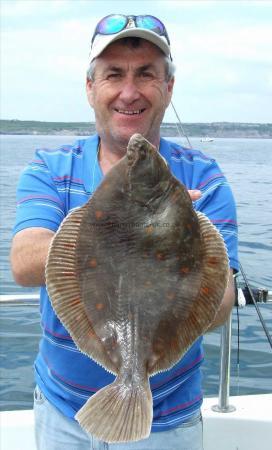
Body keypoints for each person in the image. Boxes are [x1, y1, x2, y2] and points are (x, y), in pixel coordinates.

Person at [10, 14, 238, 450]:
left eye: (146, 74)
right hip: (60, 409)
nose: (129, 92)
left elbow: (222, 305)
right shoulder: (49, 167)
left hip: (168, 419)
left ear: (168, 88)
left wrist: (181, 235)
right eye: (114, 74)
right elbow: (23, 263)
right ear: (91, 87)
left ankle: (134, 386)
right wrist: (116, 226)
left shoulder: (205, 181)